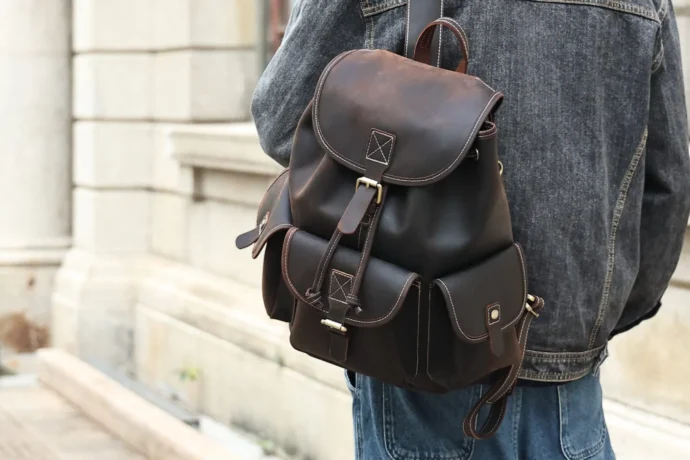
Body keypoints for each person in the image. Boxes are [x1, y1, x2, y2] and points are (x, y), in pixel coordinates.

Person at [250, 0, 690, 458]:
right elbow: (667, 188)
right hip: (571, 396)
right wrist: (583, 325)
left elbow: (283, 121)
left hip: (416, 360)